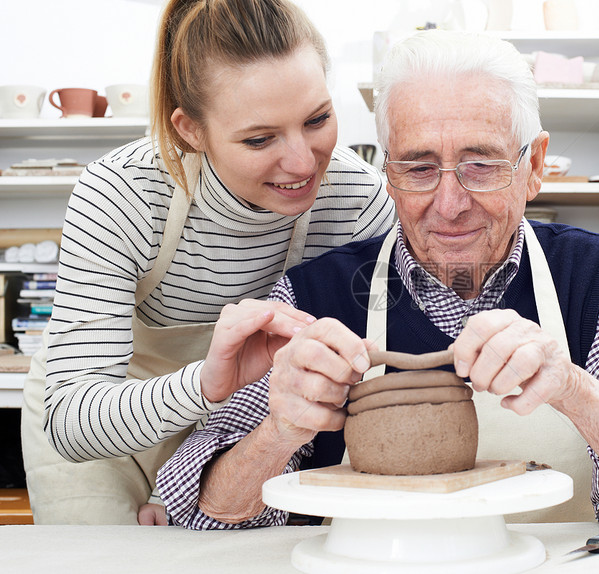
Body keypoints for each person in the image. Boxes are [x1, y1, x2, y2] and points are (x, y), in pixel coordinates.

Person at [158, 29, 599, 529]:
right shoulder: (315, 297)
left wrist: (574, 390)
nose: (450, 203)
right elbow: (195, 510)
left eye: (480, 164)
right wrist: (278, 432)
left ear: (533, 167)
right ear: (388, 174)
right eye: (419, 167)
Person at [20, 0, 396, 526]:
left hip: (244, 432)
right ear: (190, 130)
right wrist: (204, 386)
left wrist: (198, 480)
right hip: (105, 435)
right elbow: (72, 421)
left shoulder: (356, 201)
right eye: (259, 138)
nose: (302, 161)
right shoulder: (121, 194)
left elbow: (372, 373)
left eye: (317, 120)